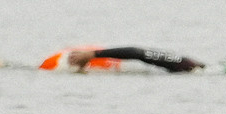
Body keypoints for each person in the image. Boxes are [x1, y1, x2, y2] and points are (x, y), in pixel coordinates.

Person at [37, 45, 204, 73]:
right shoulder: (187, 65)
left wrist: (93, 55)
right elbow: (138, 52)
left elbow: (136, 52)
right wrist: (93, 54)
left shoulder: (187, 67)